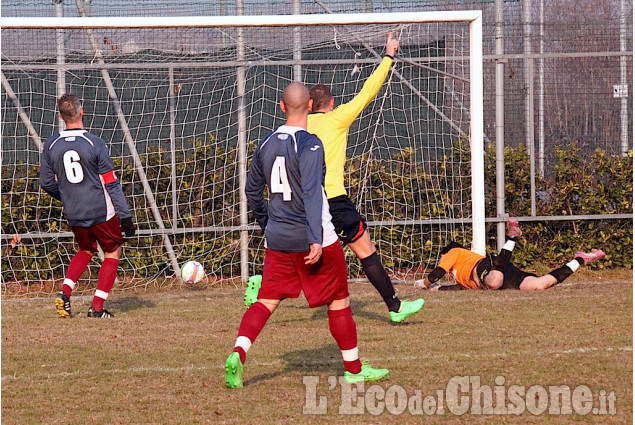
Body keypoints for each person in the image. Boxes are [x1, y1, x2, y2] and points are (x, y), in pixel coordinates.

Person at [225, 82, 389, 389]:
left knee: (266, 301)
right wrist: (315, 237)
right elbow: (314, 193)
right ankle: (354, 370)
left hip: (279, 239)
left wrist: (268, 223)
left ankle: (239, 351)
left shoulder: (265, 143)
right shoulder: (312, 144)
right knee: (339, 301)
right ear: (310, 107)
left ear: (282, 106)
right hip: (317, 240)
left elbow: (251, 191)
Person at [307, 32, 424, 322]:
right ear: (331, 103)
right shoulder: (338, 117)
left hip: (307, 202)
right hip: (334, 199)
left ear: (309, 106)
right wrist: (388, 56)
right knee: (366, 250)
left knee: (299, 255)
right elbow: (369, 91)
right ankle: (395, 308)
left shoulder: (301, 124)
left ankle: (262, 285)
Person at [40, 94, 135, 318]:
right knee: (112, 252)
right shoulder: (95, 143)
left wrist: (66, 196)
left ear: (62, 117)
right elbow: (111, 183)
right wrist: (126, 216)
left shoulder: (51, 144)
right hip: (101, 210)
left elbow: (45, 183)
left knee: (86, 249)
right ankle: (97, 308)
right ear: (82, 112)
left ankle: (64, 292)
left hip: (74, 211)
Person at [415, 219, 606, 291]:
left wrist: (424, 283)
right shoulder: (459, 277)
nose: (441, 261)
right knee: (540, 285)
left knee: (494, 280)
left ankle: (512, 237)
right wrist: (436, 289)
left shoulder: (454, 252)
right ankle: (580, 259)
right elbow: (458, 289)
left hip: (487, 268)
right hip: (504, 273)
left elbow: (436, 273)